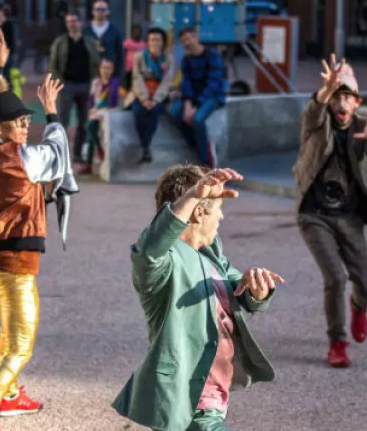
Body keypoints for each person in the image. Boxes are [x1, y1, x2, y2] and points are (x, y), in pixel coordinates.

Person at [0, 30, 78, 431]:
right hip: (16, 265)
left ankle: (10, 397)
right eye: (19, 121)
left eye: (28, 119)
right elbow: (60, 156)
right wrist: (53, 112)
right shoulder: (22, 159)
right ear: (2, 128)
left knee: (7, 331)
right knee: (19, 346)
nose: (26, 125)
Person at [112, 164, 284, 431]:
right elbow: (148, 250)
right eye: (218, 209)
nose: (222, 218)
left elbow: (242, 294)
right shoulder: (162, 263)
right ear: (199, 212)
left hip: (213, 398)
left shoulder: (212, 255)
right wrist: (193, 195)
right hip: (187, 402)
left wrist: (258, 290)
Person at [294, 54, 367, 368]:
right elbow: (312, 112)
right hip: (314, 214)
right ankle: (337, 342)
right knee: (335, 277)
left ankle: (358, 306)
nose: (341, 103)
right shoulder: (317, 122)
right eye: (337, 96)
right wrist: (325, 91)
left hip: (348, 216)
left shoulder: (362, 127)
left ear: (357, 102)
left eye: (347, 97)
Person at [169, 27, 228, 169]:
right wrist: (188, 103)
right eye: (183, 41)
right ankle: (198, 145)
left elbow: (213, 83)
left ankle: (206, 160)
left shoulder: (212, 55)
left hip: (212, 96)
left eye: (189, 39)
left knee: (198, 119)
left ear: (196, 38)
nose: (187, 43)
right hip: (193, 97)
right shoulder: (186, 60)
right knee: (174, 112)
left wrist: (195, 105)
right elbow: (187, 82)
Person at [48, 11, 100, 164]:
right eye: (69, 21)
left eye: (75, 21)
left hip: (86, 86)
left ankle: (77, 154)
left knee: (84, 121)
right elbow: (53, 66)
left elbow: (97, 63)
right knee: (62, 121)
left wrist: (96, 83)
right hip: (67, 85)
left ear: (81, 23)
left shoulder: (90, 42)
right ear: (66, 24)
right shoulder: (60, 43)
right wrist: (58, 83)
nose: (72, 24)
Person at [126, 27, 175, 164]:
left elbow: (167, 81)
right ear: (147, 42)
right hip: (141, 93)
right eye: (152, 40)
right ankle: (146, 147)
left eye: (158, 40)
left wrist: (155, 100)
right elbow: (136, 78)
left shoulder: (168, 59)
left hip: (160, 93)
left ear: (162, 42)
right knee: (138, 111)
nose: (154, 42)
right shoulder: (139, 57)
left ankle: (145, 147)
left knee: (154, 112)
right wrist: (145, 99)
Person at [81, 58, 122, 174]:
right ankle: (91, 162)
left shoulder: (114, 83)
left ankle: (96, 154)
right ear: (100, 69)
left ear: (112, 70)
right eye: (103, 68)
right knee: (91, 130)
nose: (105, 71)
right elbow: (90, 100)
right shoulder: (96, 82)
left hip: (108, 112)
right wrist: (92, 108)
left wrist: (97, 107)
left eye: (108, 68)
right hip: (96, 112)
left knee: (90, 127)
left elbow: (113, 101)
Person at [83, 0, 123, 76]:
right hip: (88, 75)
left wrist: (119, 77)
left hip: (109, 76)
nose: (100, 12)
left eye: (103, 9)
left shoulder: (115, 32)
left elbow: (120, 56)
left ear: (108, 11)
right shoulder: (85, 31)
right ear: (93, 11)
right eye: (97, 9)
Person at [122, 24, 146, 89]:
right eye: (136, 31)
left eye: (139, 31)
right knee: (128, 87)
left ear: (141, 33)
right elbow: (121, 53)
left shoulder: (143, 44)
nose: (137, 33)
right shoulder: (128, 42)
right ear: (132, 32)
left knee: (138, 87)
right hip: (129, 69)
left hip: (139, 70)